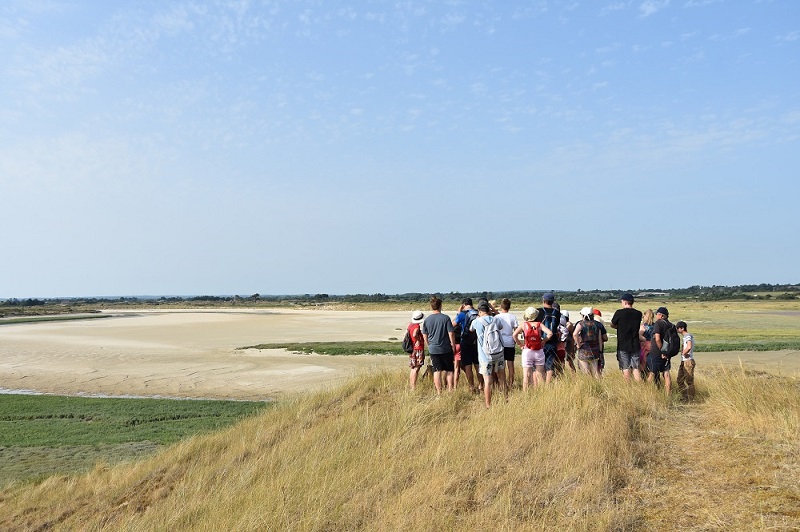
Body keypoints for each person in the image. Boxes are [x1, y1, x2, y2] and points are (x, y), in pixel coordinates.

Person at [471, 301, 507, 407]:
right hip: (499, 353)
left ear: (480, 311)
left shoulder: (477, 321)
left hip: (485, 356)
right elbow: (500, 327)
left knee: (487, 380)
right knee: (502, 378)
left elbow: (470, 329)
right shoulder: (496, 319)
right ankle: (505, 399)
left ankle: (488, 404)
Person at [421, 296, 457, 395]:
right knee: (449, 370)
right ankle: (450, 390)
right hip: (445, 348)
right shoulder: (445, 318)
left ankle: (438, 392)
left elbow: (425, 334)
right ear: (440, 306)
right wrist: (453, 345)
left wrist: (428, 344)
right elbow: (451, 333)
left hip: (433, 348)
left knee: (437, 371)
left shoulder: (427, 320)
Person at [513, 307, 552, 390]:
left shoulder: (524, 324)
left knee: (526, 375)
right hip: (538, 351)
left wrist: (520, 344)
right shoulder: (539, 324)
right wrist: (543, 341)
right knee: (540, 374)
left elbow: (514, 335)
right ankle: (542, 393)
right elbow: (550, 333)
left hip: (527, 351)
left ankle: (525, 394)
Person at [610, 293, 643, 382]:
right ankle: (639, 387)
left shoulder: (619, 313)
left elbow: (612, 324)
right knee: (636, 367)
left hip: (623, 344)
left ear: (625, 302)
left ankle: (628, 387)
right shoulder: (638, 314)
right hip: (635, 343)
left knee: (625, 367)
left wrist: (620, 327)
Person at [453, 298, 481, 393]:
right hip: (476, 341)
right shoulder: (478, 313)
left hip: (465, 342)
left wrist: (458, 313)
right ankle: (481, 385)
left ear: (463, 304)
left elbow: (453, 324)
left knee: (468, 366)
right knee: (477, 365)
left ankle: (471, 387)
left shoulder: (462, 314)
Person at [536, 292, 562, 383]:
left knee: (539, 364)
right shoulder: (557, 313)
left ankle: (540, 385)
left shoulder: (539, 311)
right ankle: (548, 385)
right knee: (550, 364)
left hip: (541, 341)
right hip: (553, 340)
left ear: (543, 300)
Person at [647, 307, 673, 395]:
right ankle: (668, 394)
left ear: (661, 315)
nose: (656, 316)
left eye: (657, 314)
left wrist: (662, 351)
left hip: (656, 352)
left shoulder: (658, 324)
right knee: (666, 373)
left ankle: (647, 394)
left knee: (652, 372)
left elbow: (657, 338)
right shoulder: (671, 325)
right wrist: (666, 352)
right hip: (668, 353)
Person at [495, 298, 519, 389]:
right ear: (509, 307)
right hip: (510, 342)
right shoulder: (512, 317)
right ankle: (510, 384)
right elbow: (516, 330)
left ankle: (502, 383)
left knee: (500, 365)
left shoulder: (497, 317)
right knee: (510, 365)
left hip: (500, 343)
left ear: (501, 306)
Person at [573, 307, 602, 379]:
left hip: (584, 349)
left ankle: (588, 386)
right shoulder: (597, 324)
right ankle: (598, 386)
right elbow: (600, 338)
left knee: (585, 371)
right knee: (595, 371)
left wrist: (578, 345)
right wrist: (600, 350)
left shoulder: (580, 324)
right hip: (595, 349)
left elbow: (574, 334)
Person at [676, 321, 696, 401]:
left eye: (678, 328)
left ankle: (691, 399)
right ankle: (685, 397)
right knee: (679, 380)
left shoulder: (687, 336)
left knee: (689, 381)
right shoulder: (686, 336)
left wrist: (684, 353)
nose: (677, 330)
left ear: (682, 328)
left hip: (688, 361)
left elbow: (689, 346)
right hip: (684, 361)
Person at [407, 310, 425, 390]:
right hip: (417, 348)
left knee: (413, 368)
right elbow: (414, 334)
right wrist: (419, 340)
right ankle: (413, 387)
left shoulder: (410, 325)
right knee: (416, 368)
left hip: (412, 349)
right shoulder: (417, 326)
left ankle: (411, 386)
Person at [592, 308, 609, 375]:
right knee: (599, 365)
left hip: (588, 347)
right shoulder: (599, 323)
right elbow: (605, 338)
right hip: (599, 346)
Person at [639, 309, 655, 374]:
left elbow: (639, 336)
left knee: (642, 364)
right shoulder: (655, 326)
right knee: (651, 365)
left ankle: (644, 380)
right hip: (653, 346)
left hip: (644, 346)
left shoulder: (643, 326)